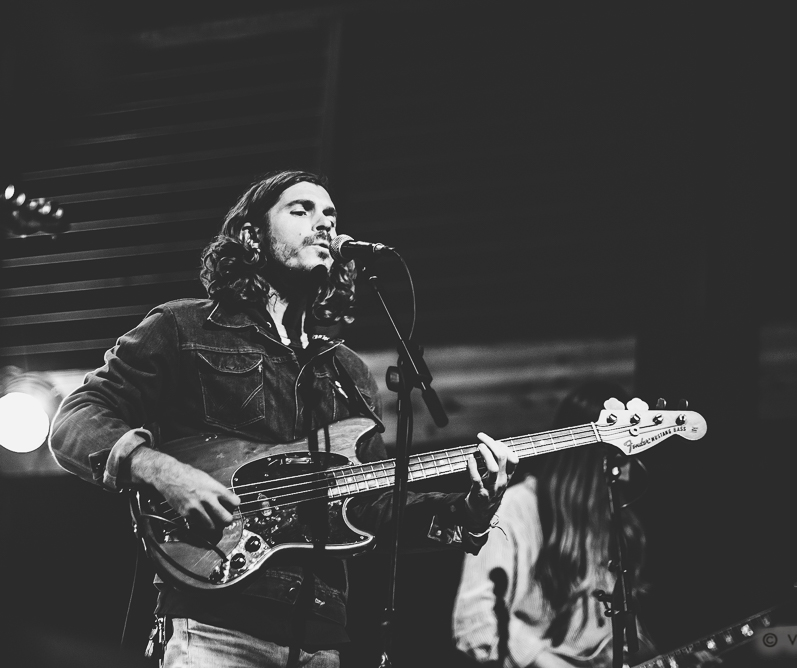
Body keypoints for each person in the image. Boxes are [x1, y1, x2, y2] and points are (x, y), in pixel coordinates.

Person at [49, 169, 517, 667]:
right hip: (216, 623)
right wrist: (166, 472)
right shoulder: (183, 327)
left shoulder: (349, 371)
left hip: (322, 633)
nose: (324, 224)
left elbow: (372, 505)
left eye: (331, 215)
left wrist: (469, 508)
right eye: (301, 211)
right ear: (252, 236)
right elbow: (76, 420)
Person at [451, 381, 653, 668]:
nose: (630, 471)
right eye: (624, 457)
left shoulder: (615, 517)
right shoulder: (516, 508)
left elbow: (613, 638)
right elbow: (475, 624)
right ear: (595, 457)